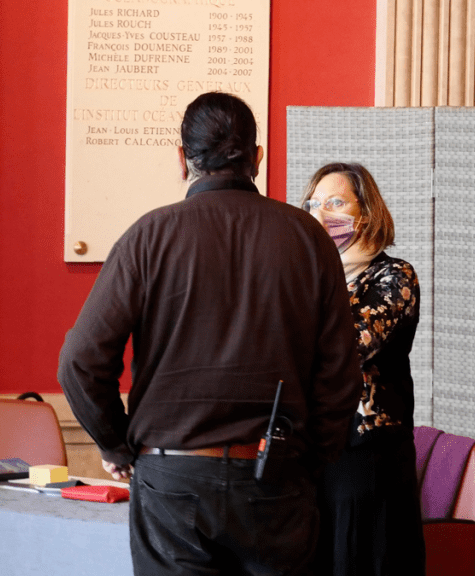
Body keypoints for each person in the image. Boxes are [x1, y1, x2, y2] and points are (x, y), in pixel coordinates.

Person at [57, 92, 363, 576]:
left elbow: (79, 360)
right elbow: (342, 375)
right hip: (276, 479)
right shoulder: (309, 239)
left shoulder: (148, 237)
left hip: (171, 479)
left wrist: (116, 444)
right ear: (257, 158)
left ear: (182, 160)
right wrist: (308, 460)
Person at [300, 163, 426, 576]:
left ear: (366, 214)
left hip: (367, 459)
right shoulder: (305, 277)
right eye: (313, 204)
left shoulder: (394, 276)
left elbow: (347, 349)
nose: (321, 213)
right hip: (311, 454)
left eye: (335, 203)